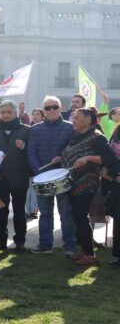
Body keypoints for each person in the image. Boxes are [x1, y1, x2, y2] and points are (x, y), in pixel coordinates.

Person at [60, 108, 120, 265]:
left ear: (88, 119)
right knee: (77, 217)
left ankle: (90, 255)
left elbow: (109, 158)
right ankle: (84, 250)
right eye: (73, 117)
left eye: (77, 118)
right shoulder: (77, 137)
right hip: (73, 183)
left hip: (87, 183)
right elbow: (72, 153)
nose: (73, 120)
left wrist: (88, 158)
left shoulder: (97, 137)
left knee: (80, 217)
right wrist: (61, 158)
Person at [27, 95, 77, 256]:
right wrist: (39, 173)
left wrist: (63, 157)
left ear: (61, 108)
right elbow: (31, 152)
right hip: (42, 177)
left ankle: (70, 246)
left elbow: (75, 150)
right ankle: (45, 245)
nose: (52, 110)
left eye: (55, 107)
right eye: (48, 108)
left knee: (66, 213)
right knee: (45, 213)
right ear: (44, 110)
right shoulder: (35, 129)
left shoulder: (71, 128)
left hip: (64, 176)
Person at [0, 100, 31, 251]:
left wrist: (24, 146)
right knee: (1, 210)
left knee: (19, 210)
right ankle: (0, 240)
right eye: (3, 112)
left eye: (9, 112)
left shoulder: (26, 130)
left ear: (16, 114)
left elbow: (32, 151)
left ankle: (20, 241)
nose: (6, 115)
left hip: (19, 176)